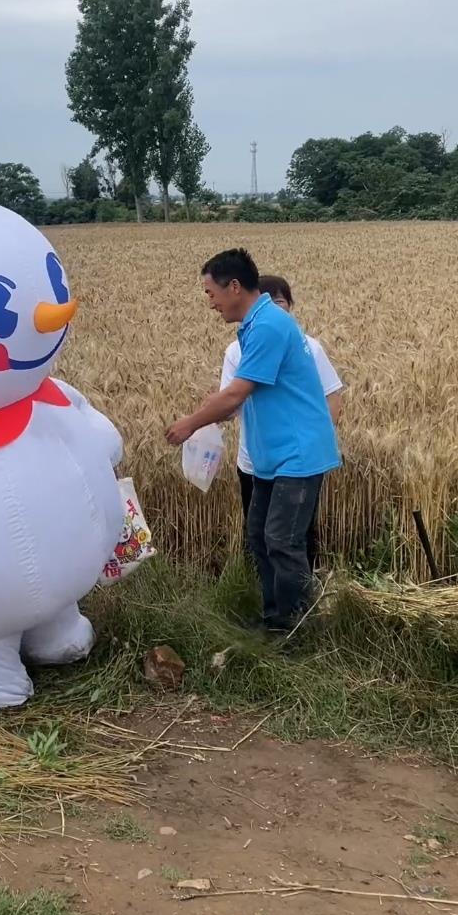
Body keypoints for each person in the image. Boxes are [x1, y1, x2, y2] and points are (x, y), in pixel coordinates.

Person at [166, 248, 341, 633]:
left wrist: (190, 425)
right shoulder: (255, 324)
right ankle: (274, 616)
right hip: (271, 456)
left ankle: (292, 627)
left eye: (211, 293)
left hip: (298, 453)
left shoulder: (269, 326)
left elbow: (235, 394)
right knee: (260, 536)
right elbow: (238, 398)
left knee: (282, 540)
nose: (210, 303)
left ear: (233, 286)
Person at [220, 273, 343, 570]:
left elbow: (333, 395)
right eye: (269, 302)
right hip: (254, 462)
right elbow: (230, 401)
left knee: (291, 536)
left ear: (290, 304)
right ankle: (266, 597)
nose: (275, 308)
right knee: (260, 535)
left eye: (281, 301)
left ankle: (298, 605)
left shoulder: (308, 346)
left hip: (297, 460)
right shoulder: (237, 350)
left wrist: (312, 440)